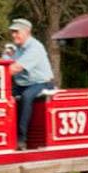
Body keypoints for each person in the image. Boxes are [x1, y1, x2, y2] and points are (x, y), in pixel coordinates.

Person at [6, 18, 54, 150]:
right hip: (22, 85)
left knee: (27, 97)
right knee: (3, 97)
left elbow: (15, 68)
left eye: (17, 32)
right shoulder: (15, 49)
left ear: (27, 32)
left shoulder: (35, 48)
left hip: (42, 83)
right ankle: (7, 135)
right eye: (12, 32)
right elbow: (4, 62)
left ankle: (21, 140)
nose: (14, 35)